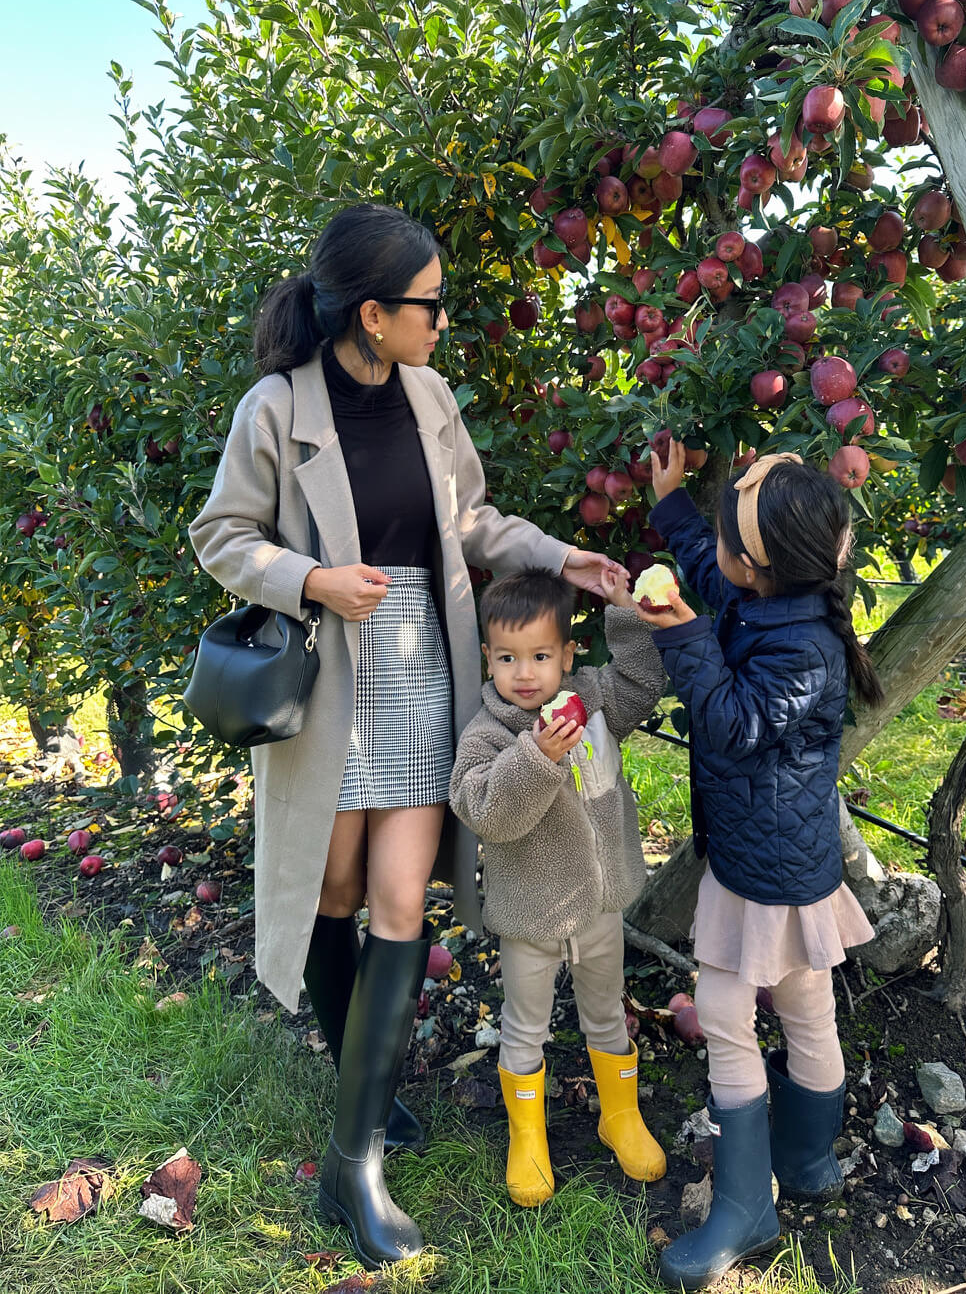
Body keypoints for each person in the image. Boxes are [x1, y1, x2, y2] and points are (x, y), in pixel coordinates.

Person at [189, 204, 622, 1271]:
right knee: (334, 895)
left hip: (425, 662)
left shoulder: (428, 398)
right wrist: (309, 579)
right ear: (373, 313)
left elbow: (471, 522)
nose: (442, 322)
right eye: (428, 305)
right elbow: (220, 534)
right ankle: (363, 1093)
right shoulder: (276, 407)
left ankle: (354, 1159)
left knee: (397, 901)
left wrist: (562, 556)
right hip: (332, 671)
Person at [631, 444, 883, 1293]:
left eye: (728, 543)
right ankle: (808, 1159)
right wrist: (670, 505)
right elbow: (709, 565)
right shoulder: (778, 597)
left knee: (728, 1016)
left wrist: (678, 636)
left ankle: (746, 1204)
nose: (717, 558)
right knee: (808, 1006)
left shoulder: (800, 650)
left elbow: (734, 725)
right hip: (784, 860)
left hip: (762, 874)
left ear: (761, 567)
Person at [450, 567, 667, 1207]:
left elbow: (641, 682)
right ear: (488, 658)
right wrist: (537, 758)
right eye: (509, 658)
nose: (525, 673)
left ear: (567, 656)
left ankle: (618, 1117)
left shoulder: (594, 704)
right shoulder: (489, 735)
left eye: (541, 656)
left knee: (607, 1015)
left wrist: (625, 610)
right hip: (530, 922)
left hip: (598, 910)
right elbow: (485, 810)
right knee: (526, 1028)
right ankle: (529, 1136)